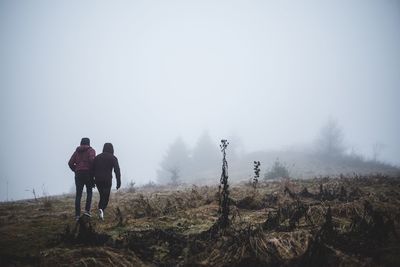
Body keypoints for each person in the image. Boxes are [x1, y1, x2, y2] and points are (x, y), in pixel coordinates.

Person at [68, 137, 96, 220]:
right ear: (89, 143)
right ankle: (87, 211)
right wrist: (92, 170)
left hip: (78, 174)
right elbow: (92, 160)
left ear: (81, 143)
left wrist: (76, 169)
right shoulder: (91, 150)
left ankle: (77, 215)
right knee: (89, 192)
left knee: (78, 194)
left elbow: (70, 163)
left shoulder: (76, 152)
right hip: (88, 173)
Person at [93, 143, 121, 220]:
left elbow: (92, 169)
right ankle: (101, 209)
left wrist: (92, 180)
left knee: (102, 195)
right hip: (107, 180)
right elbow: (117, 170)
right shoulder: (113, 158)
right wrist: (118, 182)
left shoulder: (97, 157)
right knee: (105, 197)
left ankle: (101, 211)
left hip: (98, 180)